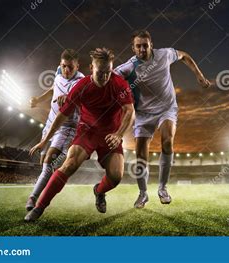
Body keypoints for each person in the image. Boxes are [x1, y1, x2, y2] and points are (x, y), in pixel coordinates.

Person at [24, 47, 134, 222]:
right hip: (87, 132)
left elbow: (130, 112)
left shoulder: (120, 84)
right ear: (91, 68)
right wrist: (44, 141)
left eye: (108, 72)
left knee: (116, 176)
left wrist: (119, 134)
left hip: (110, 135)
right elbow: (62, 115)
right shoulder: (81, 87)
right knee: (69, 165)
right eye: (100, 73)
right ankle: (38, 208)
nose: (105, 77)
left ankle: (99, 191)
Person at [115, 30, 211, 208]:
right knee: (141, 155)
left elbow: (184, 56)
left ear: (151, 44)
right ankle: (143, 194)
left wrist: (199, 75)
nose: (142, 49)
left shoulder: (164, 54)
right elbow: (110, 78)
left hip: (167, 109)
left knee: (168, 141)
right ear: (133, 48)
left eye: (145, 45)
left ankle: (162, 188)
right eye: (138, 46)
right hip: (143, 114)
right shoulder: (129, 66)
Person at [26, 49, 84, 211]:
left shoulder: (80, 82)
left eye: (70, 68)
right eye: (64, 66)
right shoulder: (59, 73)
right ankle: (54, 173)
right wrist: (38, 100)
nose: (66, 70)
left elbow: (85, 105)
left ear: (77, 66)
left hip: (66, 127)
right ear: (60, 64)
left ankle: (33, 198)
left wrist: (70, 100)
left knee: (49, 162)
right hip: (49, 123)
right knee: (44, 164)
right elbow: (53, 89)